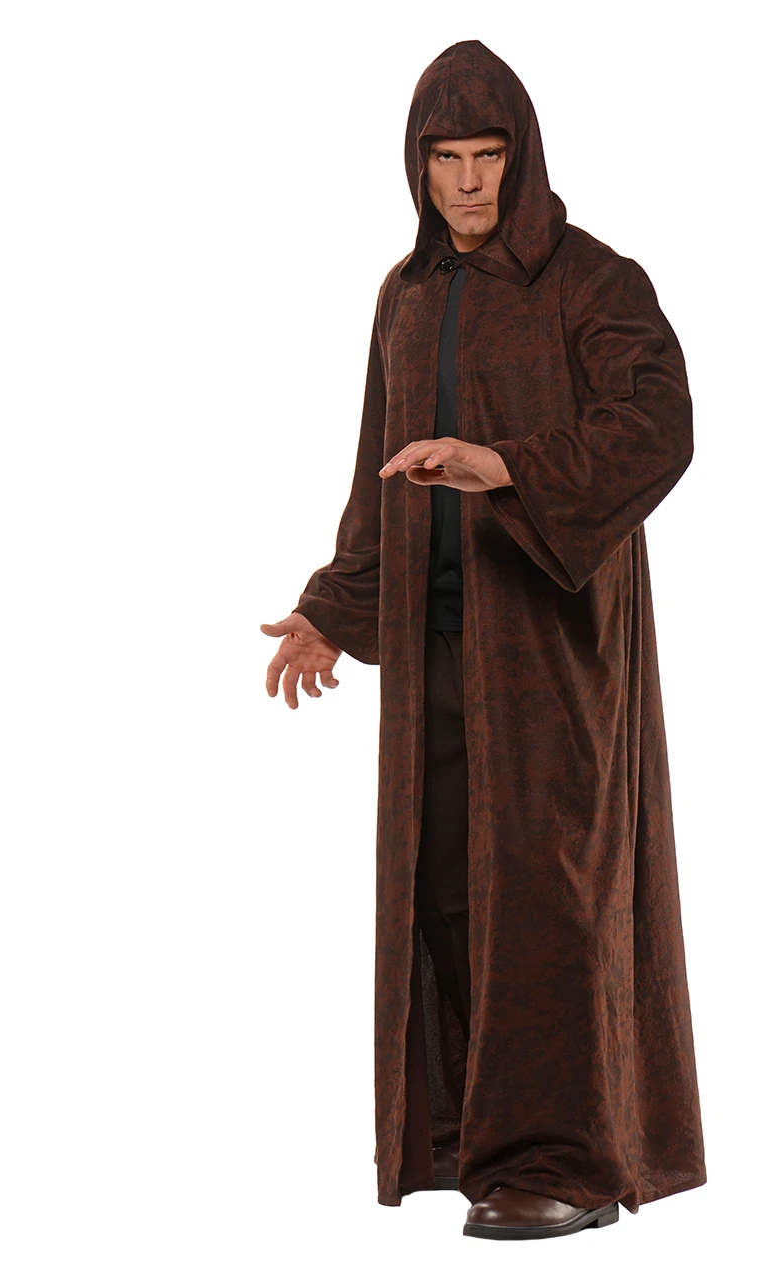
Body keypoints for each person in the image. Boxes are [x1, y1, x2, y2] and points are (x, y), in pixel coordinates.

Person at [261, 39, 706, 1241]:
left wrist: (506, 465)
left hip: (552, 654)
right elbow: (380, 465)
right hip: (435, 653)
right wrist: (333, 605)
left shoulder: (590, 280)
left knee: (549, 892)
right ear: (417, 166)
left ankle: (569, 1160)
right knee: (448, 891)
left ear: (524, 156)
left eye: (487, 155)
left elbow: (658, 422)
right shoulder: (406, 294)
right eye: (445, 158)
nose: (466, 181)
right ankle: (478, 1139)